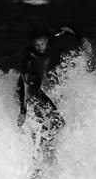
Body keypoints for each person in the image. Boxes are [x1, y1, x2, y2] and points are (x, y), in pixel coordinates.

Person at [16, 27, 91, 165]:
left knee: (57, 123)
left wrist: (81, 38)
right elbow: (24, 87)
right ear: (32, 44)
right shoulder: (28, 59)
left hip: (38, 92)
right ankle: (36, 157)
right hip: (31, 94)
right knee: (50, 123)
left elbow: (66, 29)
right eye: (37, 45)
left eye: (42, 44)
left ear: (46, 40)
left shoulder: (49, 38)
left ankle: (42, 150)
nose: (40, 48)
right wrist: (23, 111)